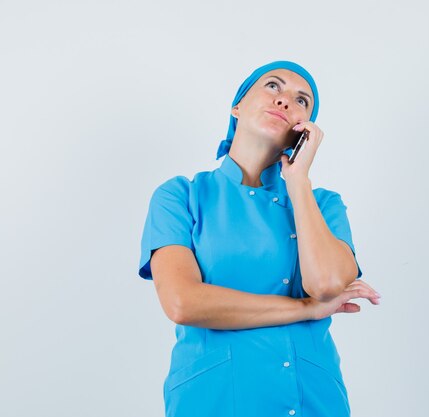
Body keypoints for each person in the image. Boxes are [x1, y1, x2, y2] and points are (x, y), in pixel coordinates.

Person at [138, 60, 381, 417]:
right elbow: (182, 302)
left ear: (304, 130)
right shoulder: (182, 196)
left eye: (302, 100)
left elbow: (327, 284)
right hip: (214, 399)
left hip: (313, 400)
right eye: (272, 86)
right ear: (237, 105)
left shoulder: (323, 205)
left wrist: (299, 181)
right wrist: (305, 309)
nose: (285, 100)